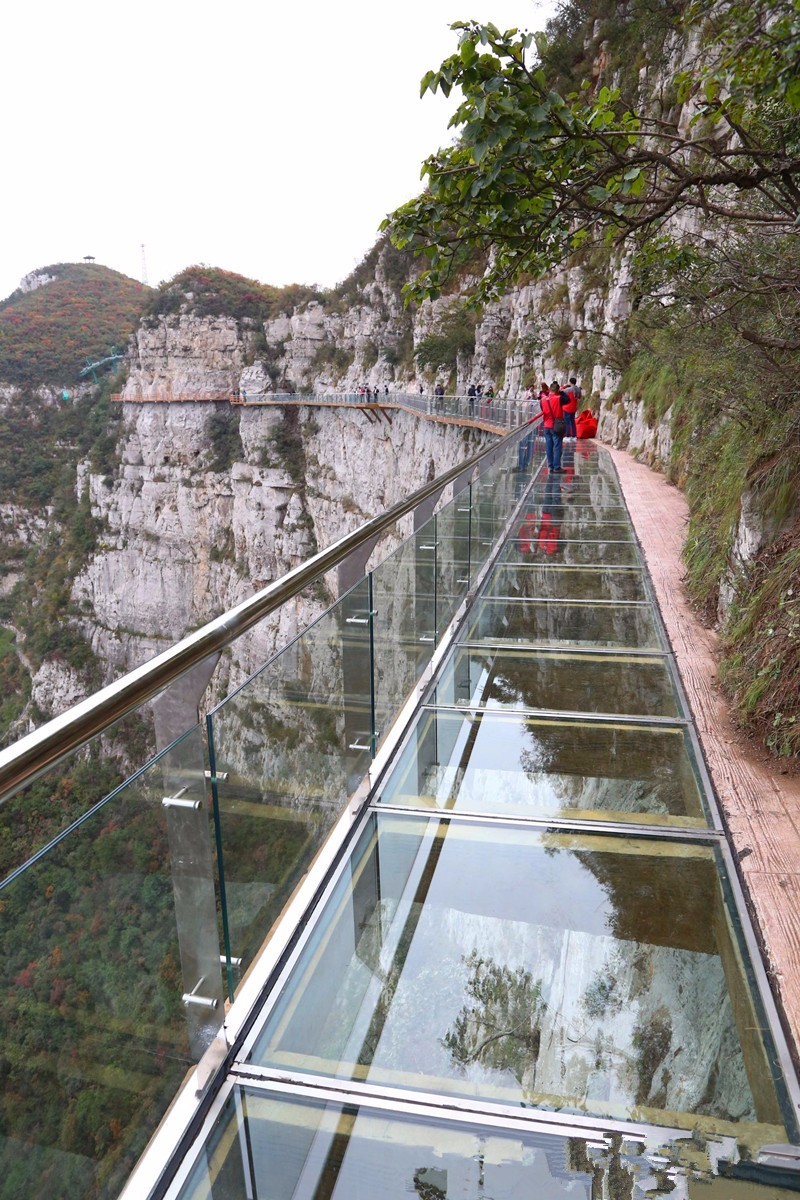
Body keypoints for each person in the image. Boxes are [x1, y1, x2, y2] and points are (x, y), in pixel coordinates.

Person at [541, 380, 566, 473]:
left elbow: (542, 409)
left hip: (546, 425)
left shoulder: (543, 400)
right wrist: (561, 392)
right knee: (557, 446)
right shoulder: (559, 398)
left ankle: (550, 466)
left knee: (548, 446)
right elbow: (567, 399)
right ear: (557, 390)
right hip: (556, 426)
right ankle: (557, 467)